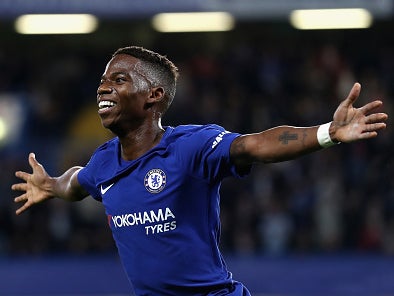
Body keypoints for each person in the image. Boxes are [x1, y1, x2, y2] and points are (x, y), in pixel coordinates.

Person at [12, 46, 388, 295]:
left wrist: (327, 133)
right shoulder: (103, 162)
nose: (103, 88)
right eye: (102, 82)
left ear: (153, 96)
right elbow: (76, 182)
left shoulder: (189, 147)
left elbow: (255, 144)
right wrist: (50, 185)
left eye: (118, 80)